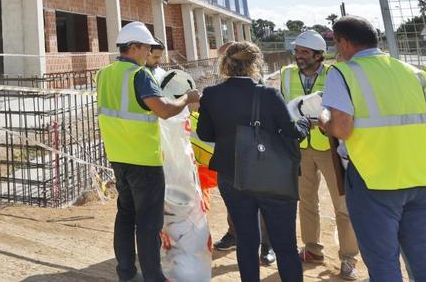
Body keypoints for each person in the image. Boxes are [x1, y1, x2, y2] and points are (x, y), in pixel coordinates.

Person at [321, 16, 426, 281]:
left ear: (343, 42)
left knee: (383, 263)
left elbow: (342, 129)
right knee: (425, 257)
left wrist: (324, 122)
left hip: (374, 179)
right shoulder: (412, 72)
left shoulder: (343, 72)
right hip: (421, 177)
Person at [196, 41, 308, 282]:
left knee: (246, 241)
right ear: (256, 64)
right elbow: (293, 133)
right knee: (285, 244)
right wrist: (306, 121)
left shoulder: (211, 94)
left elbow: (205, 134)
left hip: (231, 174)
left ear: (226, 63)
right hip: (272, 177)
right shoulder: (268, 94)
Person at [98, 21, 199, 282]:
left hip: (118, 157)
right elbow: (164, 110)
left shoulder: (104, 74)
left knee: (125, 215)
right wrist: (187, 98)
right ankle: (153, 276)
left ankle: (126, 273)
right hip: (144, 159)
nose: (149, 54)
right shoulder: (138, 75)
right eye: (146, 48)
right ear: (133, 47)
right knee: (148, 222)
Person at [279, 30, 359, 280]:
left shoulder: (334, 74)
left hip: (331, 148)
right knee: (306, 200)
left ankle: (348, 258)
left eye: (304, 52)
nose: (298, 57)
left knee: (342, 204)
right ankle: (312, 249)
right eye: (297, 52)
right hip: (299, 147)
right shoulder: (287, 74)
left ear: (319, 55)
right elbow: (284, 105)